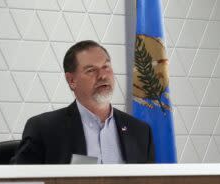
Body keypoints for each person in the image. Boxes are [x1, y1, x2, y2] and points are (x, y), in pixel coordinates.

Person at [11, 40, 154, 164]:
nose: (102, 76)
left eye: (106, 67)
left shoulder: (140, 132)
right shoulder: (45, 129)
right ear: (71, 80)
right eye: (91, 70)